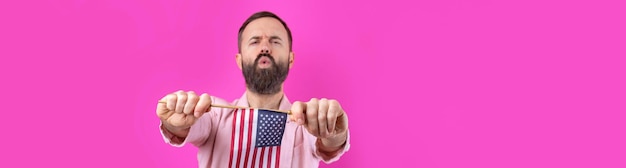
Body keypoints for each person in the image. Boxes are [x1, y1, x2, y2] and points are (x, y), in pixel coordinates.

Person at [156, 11, 350, 168]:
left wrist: (334, 131)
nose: (265, 48)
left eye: (275, 41)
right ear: (239, 61)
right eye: (255, 41)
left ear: (290, 59)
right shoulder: (213, 116)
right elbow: (188, 126)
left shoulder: (309, 124)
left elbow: (328, 144)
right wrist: (176, 122)